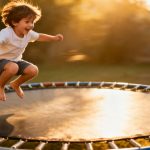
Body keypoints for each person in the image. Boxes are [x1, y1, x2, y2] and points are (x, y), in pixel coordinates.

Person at [0, 0, 63, 101]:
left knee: (33, 70)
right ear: (14, 22)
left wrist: (54, 38)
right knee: (13, 67)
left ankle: (15, 84)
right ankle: (0, 87)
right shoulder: (6, 33)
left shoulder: (28, 34)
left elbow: (40, 36)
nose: (31, 25)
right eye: (27, 22)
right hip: (1, 61)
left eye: (32, 22)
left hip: (15, 61)